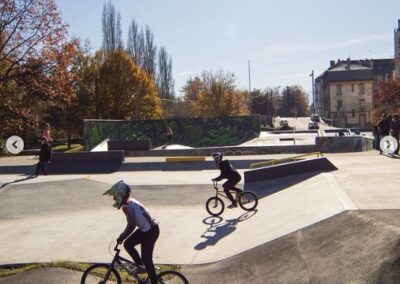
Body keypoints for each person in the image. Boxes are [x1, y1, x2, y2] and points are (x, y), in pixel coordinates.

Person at [103, 181, 159, 284]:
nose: (114, 198)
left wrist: (122, 236)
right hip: (147, 229)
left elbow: (132, 224)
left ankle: (153, 281)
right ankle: (141, 266)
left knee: (146, 258)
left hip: (151, 230)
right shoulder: (129, 202)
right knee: (128, 244)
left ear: (121, 194)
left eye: (115, 195)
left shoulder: (127, 205)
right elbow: (131, 223)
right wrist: (123, 236)